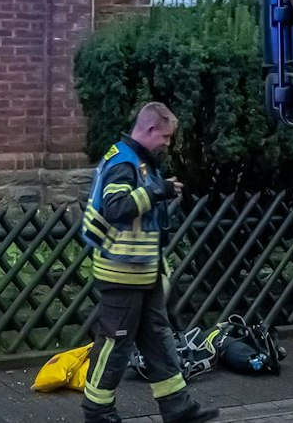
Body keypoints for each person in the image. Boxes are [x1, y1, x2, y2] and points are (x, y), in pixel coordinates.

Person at [79, 102, 220, 423]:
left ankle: (178, 408)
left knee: (158, 341)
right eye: (166, 137)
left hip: (144, 273)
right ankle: (97, 412)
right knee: (114, 347)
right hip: (122, 274)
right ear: (150, 129)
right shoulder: (124, 163)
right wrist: (158, 191)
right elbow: (116, 208)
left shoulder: (138, 161)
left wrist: (160, 190)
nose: (168, 144)